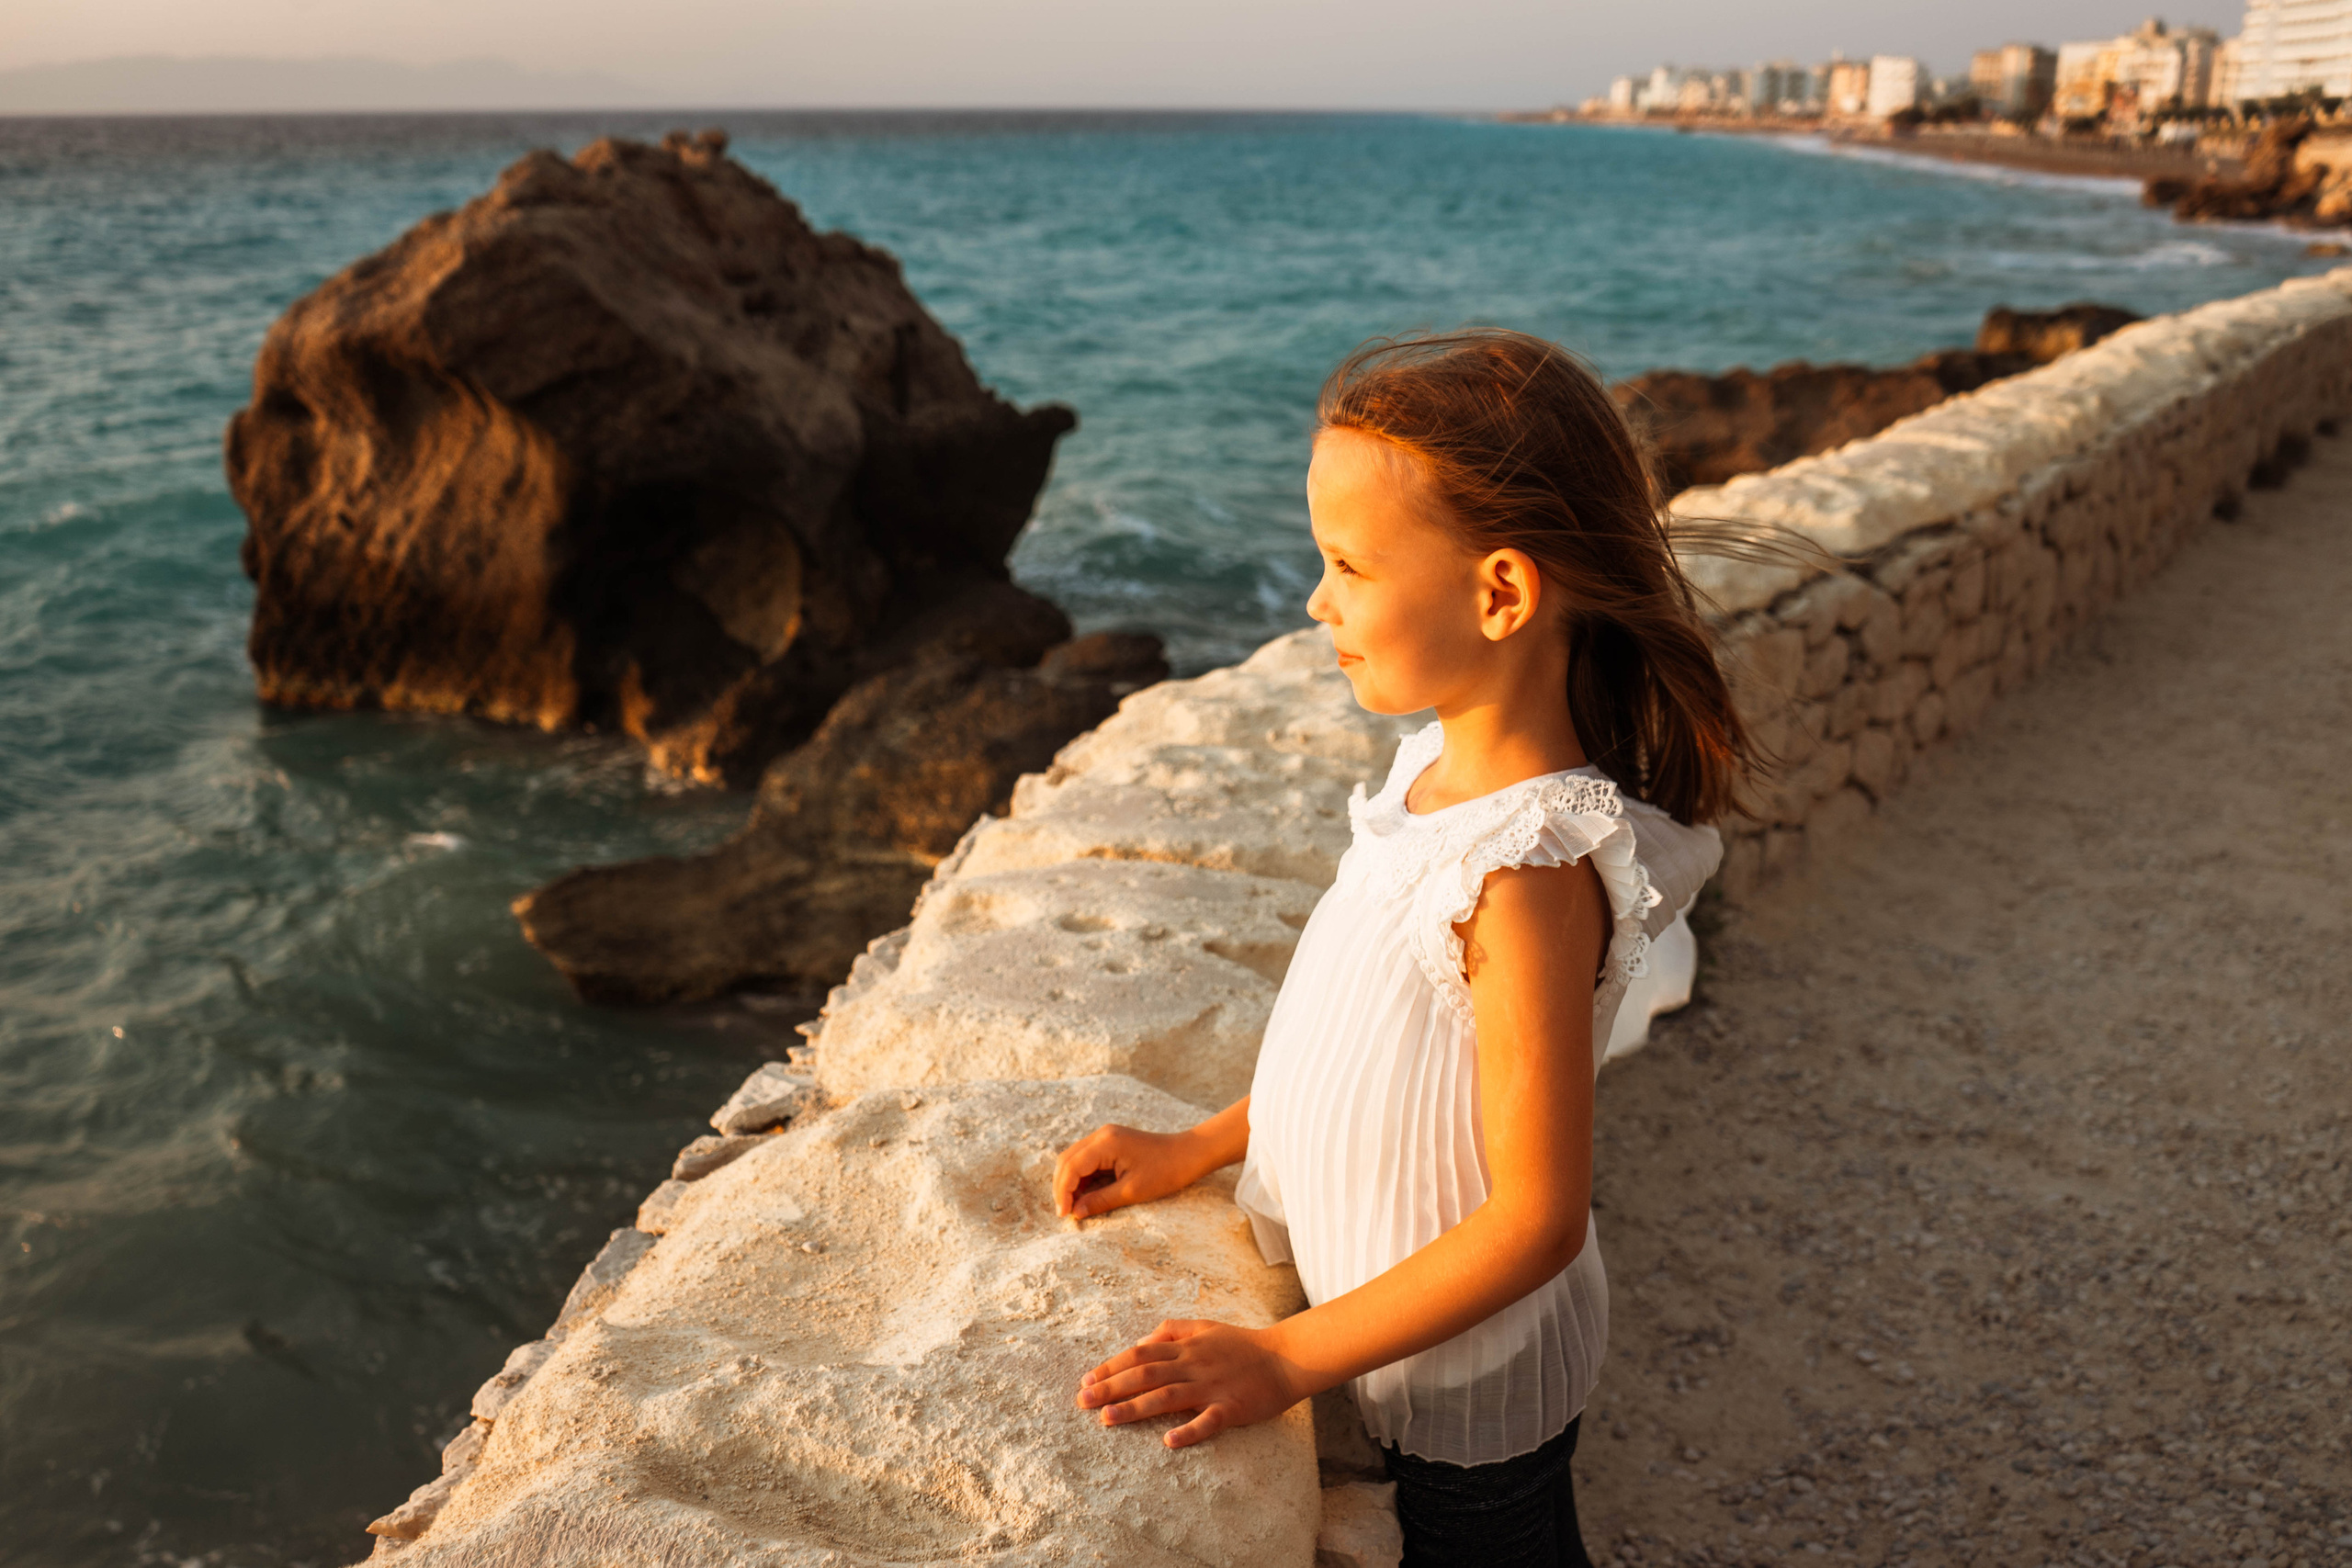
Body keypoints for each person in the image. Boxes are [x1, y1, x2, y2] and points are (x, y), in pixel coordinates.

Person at [1050, 329, 1758, 1567]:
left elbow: (1537, 1218)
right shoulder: (1430, 774)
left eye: (1347, 564)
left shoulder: (1526, 874)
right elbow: (1362, 1045)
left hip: (1468, 1389)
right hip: (1405, 1339)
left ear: (1501, 595)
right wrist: (1205, 1143)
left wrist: (1283, 1359)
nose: (1316, 600)